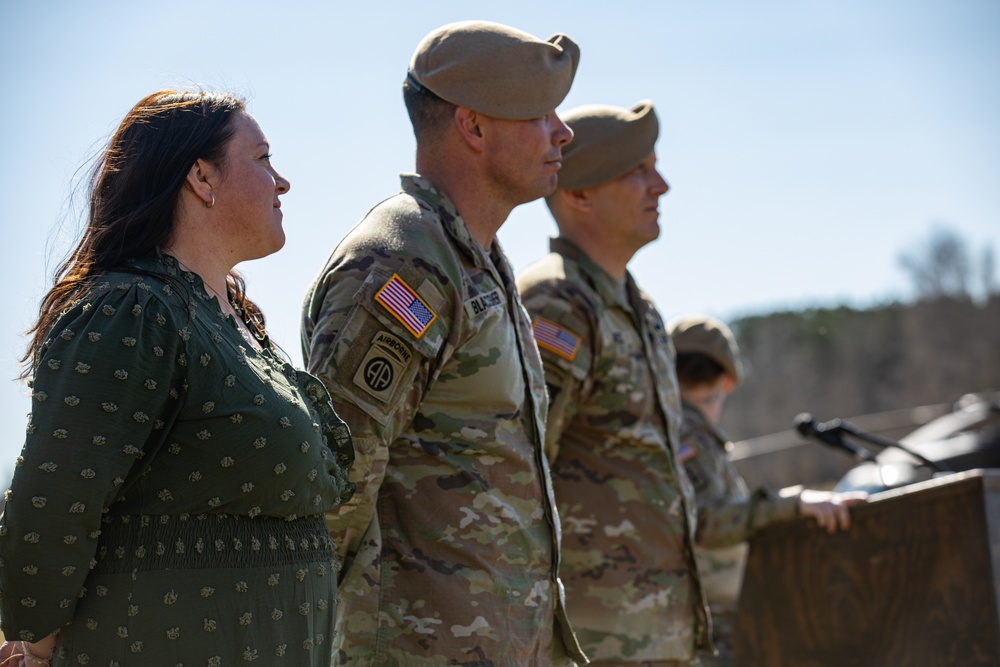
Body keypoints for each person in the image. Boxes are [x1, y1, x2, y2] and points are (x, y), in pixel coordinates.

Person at [0, 90, 355, 667]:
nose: (282, 182)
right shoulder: (133, 311)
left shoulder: (230, 321)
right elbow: (55, 499)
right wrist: (36, 647)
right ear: (201, 177)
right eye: (263, 159)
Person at [517, 101, 864, 667]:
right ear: (578, 195)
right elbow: (524, 472)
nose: (662, 185)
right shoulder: (558, 305)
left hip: (663, 632)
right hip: (595, 639)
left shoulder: (639, 309)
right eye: (638, 171)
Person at [301, 20, 586, 666]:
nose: (563, 132)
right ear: (474, 127)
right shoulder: (406, 264)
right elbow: (332, 494)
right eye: (539, 113)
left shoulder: (475, 258)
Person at [669, 314, 864, 667]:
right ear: (728, 381)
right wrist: (794, 505)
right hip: (707, 625)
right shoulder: (686, 436)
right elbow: (708, 521)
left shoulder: (676, 433)